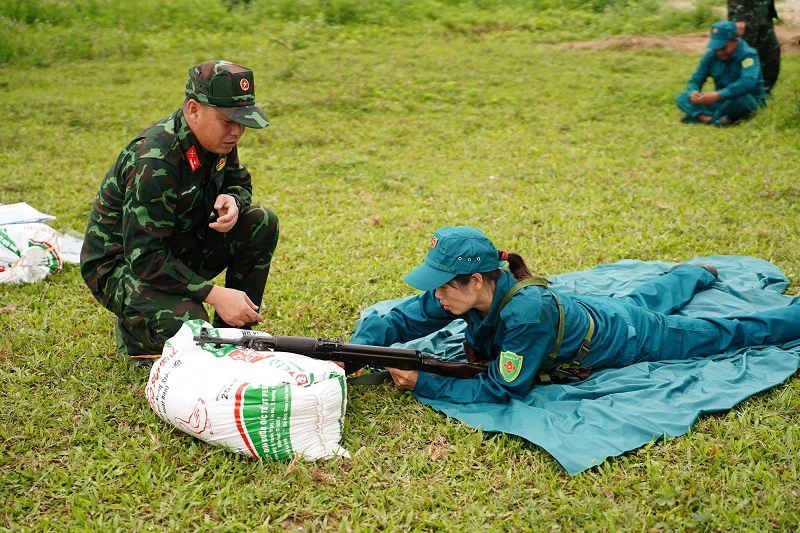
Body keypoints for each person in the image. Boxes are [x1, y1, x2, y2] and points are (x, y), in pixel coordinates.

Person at [350, 226, 800, 404]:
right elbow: (399, 321)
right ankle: (696, 273)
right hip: (597, 311)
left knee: (721, 334)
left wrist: (422, 381)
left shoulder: (526, 315)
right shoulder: (454, 292)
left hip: (627, 337)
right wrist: (350, 353)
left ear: (479, 280)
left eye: (446, 283)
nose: (437, 294)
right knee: (643, 297)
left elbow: (503, 387)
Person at [81, 60, 279, 361]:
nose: (237, 131)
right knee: (193, 325)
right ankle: (137, 334)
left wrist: (233, 201)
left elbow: (240, 181)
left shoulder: (218, 140)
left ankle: (234, 336)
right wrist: (214, 294)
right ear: (194, 110)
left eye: (242, 122)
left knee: (261, 222)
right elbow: (144, 257)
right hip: (122, 268)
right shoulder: (156, 160)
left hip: (177, 248)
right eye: (228, 121)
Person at [676, 21, 766, 127]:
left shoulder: (748, 55)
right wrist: (693, 92)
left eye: (723, 48)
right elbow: (696, 78)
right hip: (721, 101)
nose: (719, 52)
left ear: (735, 41)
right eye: (716, 48)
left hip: (745, 101)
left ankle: (699, 116)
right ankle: (714, 120)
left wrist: (718, 95)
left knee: (743, 101)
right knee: (682, 97)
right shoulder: (711, 55)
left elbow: (747, 82)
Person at [728, 0, 781, 93]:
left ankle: (764, 91)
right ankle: (735, 90)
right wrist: (737, 17)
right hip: (746, 15)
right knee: (742, 53)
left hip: (764, 14)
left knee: (771, 51)